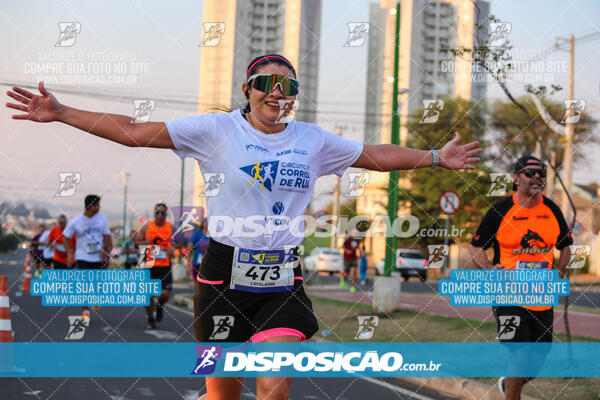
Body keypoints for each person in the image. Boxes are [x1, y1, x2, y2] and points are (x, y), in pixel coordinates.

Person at [5, 54, 481, 400]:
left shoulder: (312, 140)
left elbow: (375, 156)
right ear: (248, 89)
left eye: (288, 86)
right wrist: (62, 113)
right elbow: (132, 132)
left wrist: (437, 156)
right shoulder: (216, 131)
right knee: (223, 393)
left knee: (275, 385)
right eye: (267, 83)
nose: (278, 92)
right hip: (222, 273)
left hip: (281, 277)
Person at [470, 156, 572, 400]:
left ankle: (509, 384)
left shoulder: (552, 209)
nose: (537, 177)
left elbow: (566, 246)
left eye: (542, 173)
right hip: (507, 295)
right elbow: (475, 247)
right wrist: (488, 268)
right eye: (530, 173)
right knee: (520, 354)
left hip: (541, 295)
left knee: (538, 359)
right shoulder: (500, 210)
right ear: (516, 178)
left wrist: (560, 271)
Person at [62, 194, 113, 321]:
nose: (100, 207)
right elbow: (65, 237)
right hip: (83, 256)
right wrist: (69, 253)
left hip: (98, 257)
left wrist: (106, 249)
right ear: (91, 206)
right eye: (97, 205)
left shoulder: (101, 218)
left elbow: (107, 236)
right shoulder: (76, 221)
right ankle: (85, 311)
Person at [134, 203, 174, 329]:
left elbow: (178, 242)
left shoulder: (171, 227)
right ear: (154, 213)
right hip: (148, 263)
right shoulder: (147, 227)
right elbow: (136, 243)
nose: (160, 215)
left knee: (165, 294)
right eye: (157, 212)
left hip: (165, 265)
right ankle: (151, 317)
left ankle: (160, 306)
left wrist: (173, 248)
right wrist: (145, 242)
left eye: (162, 213)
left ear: (166, 215)